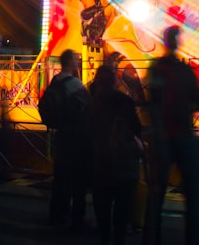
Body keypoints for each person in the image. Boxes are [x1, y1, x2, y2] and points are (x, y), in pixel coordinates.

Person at [143, 25, 199, 245]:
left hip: (161, 136)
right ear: (178, 42)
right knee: (192, 193)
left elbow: (149, 100)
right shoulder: (184, 71)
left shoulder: (156, 68)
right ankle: (195, 239)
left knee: (156, 192)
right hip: (182, 134)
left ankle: (151, 237)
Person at [89, 64, 143, 245]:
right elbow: (137, 128)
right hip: (124, 163)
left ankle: (105, 237)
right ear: (115, 81)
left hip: (102, 163)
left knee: (103, 209)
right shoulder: (124, 102)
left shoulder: (92, 104)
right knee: (122, 209)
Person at [44, 48, 92, 231]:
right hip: (76, 137)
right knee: (78, 179)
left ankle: (57, 214)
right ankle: (77, 217)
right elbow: (88, 108)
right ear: (70, 62)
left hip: (60, 135)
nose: (78, 61)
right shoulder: (74, 84)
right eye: (76, 59)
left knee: (60, 178)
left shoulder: (55, 81)